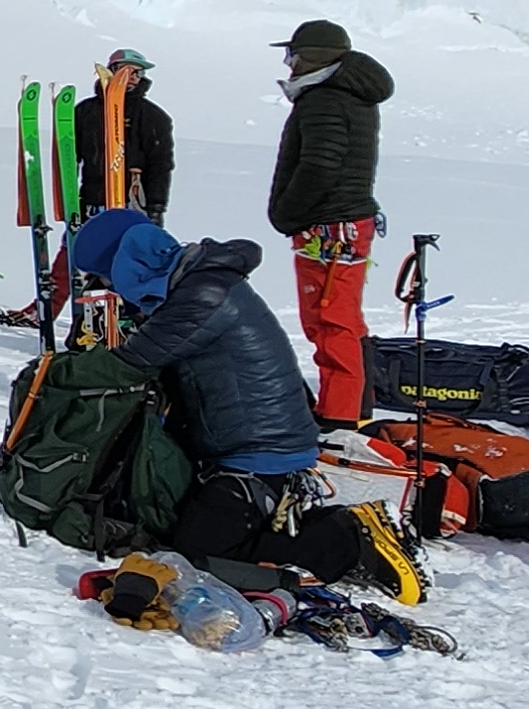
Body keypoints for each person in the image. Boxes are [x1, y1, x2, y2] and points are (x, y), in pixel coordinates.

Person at [71, 206, 421, 600]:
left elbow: (129, 363)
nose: (112, 291)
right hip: (253, 445)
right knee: (175, 526)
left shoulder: (200, 297)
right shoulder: (199, 282)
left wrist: (57, 375)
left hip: (257, 457)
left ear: (127, 265)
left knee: (195, 554)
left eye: (107, 279)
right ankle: (332, 528)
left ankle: (347, 543)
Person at [266, 18, 394, 427]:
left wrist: (287, 212)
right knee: (344, 318)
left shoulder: (326, 99)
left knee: (329, 321)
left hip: (329, 226)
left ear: (315, 57)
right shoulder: (347, 95)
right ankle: (353, 405)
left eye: (295, 55)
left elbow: (320, 166)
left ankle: (339, 417)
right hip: (344, 223)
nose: (290, 64)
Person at [74, 47, 173, 217]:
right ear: (112, 71)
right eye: (127, 70)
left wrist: (156, 209)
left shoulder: (153, 116)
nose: (133, 77)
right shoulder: (86, 111)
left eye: (139, 72)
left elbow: (160, 165)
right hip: (92, 202)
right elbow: (72, 156)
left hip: (133, 203)